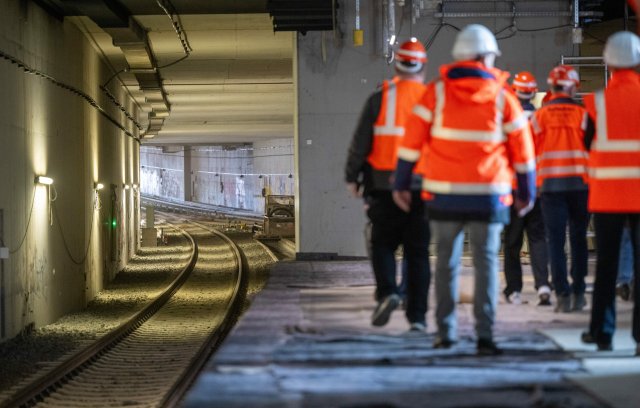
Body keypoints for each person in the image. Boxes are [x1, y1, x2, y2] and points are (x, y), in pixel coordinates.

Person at [393, 24, 536, 355]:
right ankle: (485, 336)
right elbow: (524, 154)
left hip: (443, 196)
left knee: (446, 263)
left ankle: (446, 333)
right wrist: (526, 194)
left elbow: (410, 144)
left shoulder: (436, 93)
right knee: (486, 263)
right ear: (487, 57)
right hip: (490, 197)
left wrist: (401, 184)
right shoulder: (504, 97)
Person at [345, 38, 431, 332]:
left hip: (382, 186)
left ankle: (389, 292)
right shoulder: (433, 99)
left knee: (382, 244)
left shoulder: (379, 99)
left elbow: (360, 144)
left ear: (397, 64)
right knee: (418, 253)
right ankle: (417, 318)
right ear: (422, 64)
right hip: (423, 188)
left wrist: (351, 177)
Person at [581, 31, 640, 354]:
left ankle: (602, 333)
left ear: (608, 62)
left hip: (608, 196)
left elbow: (586, 145)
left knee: (606, 265)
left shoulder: (596, 103)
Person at [530, 65, 593, 313]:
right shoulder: (583, 114)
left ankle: (563, 296)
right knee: (578, 240)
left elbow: (529, 154)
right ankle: (578, 293)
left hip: (550, 187)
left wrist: (532, 187)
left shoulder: (539, 116)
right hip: (581, 186)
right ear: (573, 86)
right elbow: (593, 150)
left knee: (554, 242)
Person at [502, 71, 552, 306]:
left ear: (514, 90)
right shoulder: (542, 118)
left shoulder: (507, 118)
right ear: (533, 92)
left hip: (512, 188)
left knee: (512, 241)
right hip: (537, 186)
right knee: (538, 237)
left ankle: (514, 290)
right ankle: (543, 285)